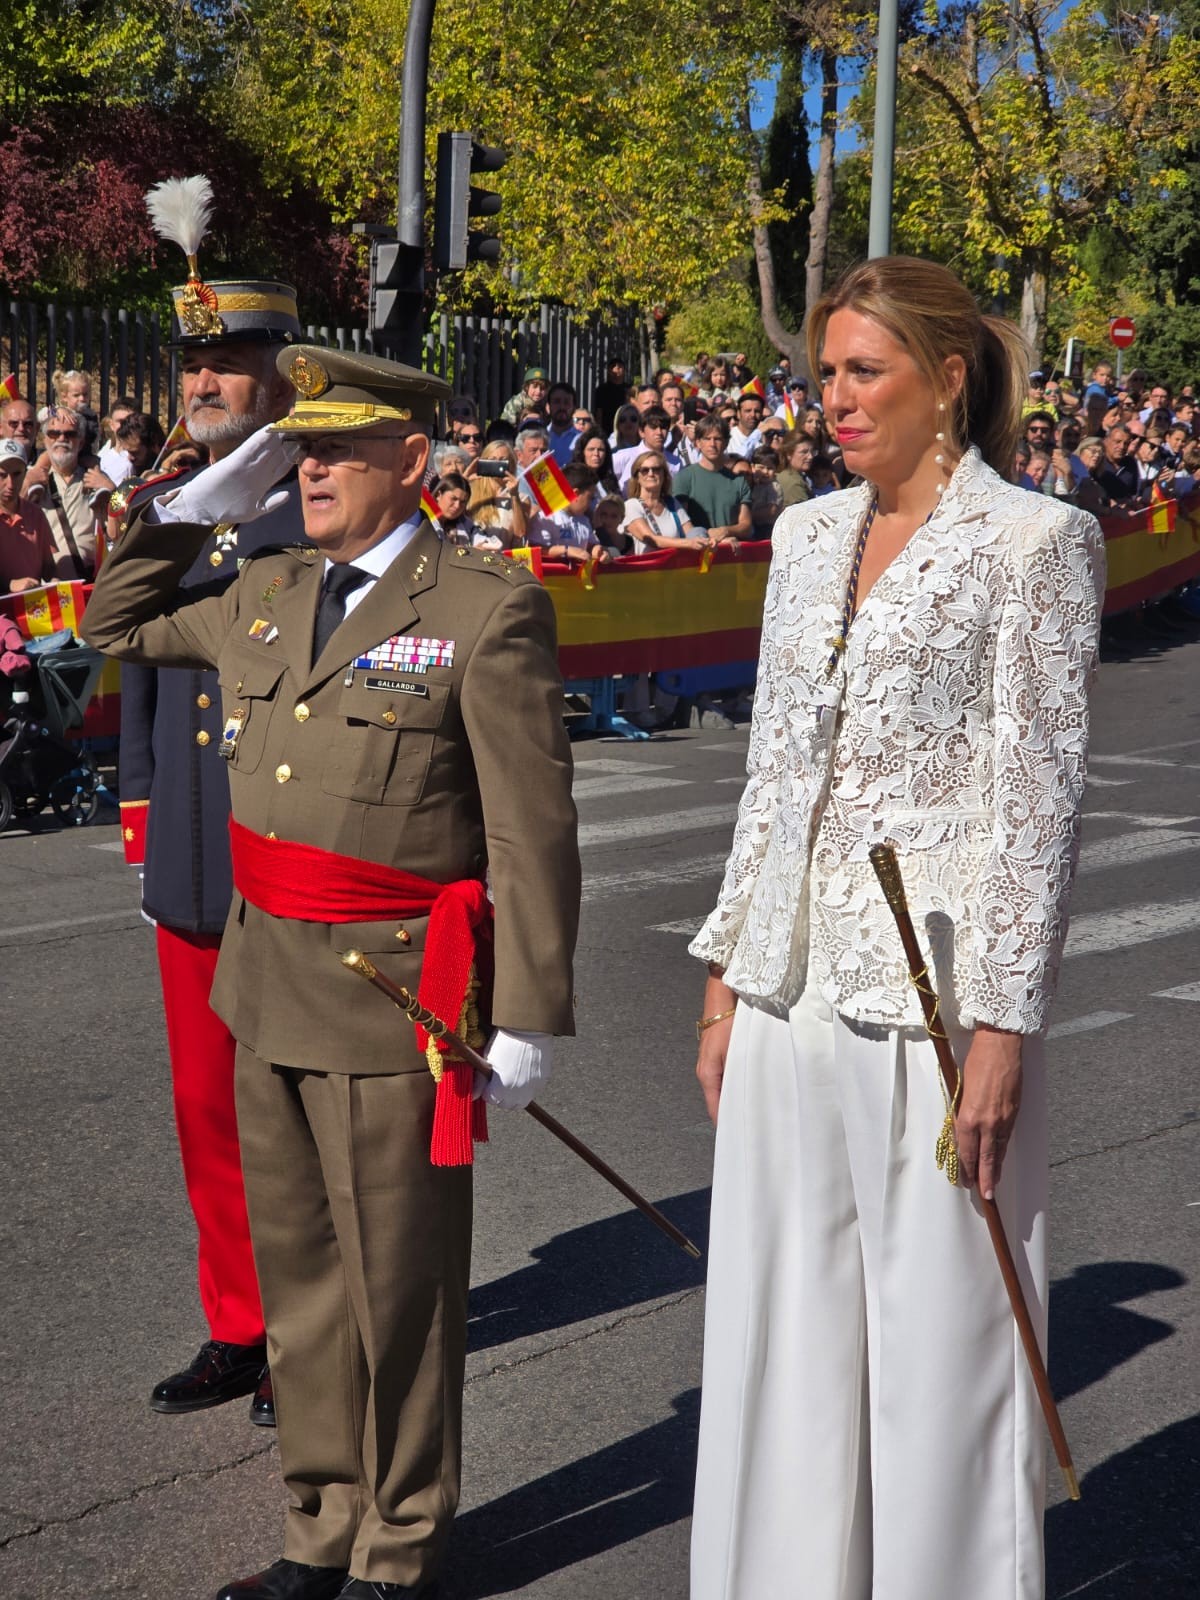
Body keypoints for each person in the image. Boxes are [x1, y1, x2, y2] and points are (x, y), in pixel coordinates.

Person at [84, 345, 580, 1600]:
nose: (306, 472)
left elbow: (530, 824)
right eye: (296, 451)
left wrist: (521, 1012)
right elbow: (117, 622)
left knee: (398, 1294)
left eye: (334, 451)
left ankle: (402, 1544)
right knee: (303, 1288)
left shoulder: (480, 604)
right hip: (264, 986)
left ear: (409, 460)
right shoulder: (262, 588)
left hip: (393, 1000)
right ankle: (319, 1525)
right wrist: (190, 504)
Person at [689, 254, 1105, 1600]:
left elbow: (1037, 801)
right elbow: (774, 774)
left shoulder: (1037, 543)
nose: (835, 401)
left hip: (934, 994)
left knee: (945, 1350)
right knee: (782, 1336)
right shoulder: (805, 537)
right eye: (825, 374)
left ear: (949, 378)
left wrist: (1004, 1027)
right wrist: (724, 979)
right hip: (786, 985)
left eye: (864, 372)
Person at [113, 185, 308, 1429]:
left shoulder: (317, 497)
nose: (206, 382)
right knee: (206, 1105)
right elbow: (136, 669)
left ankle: (311, 1330)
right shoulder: (170, 504)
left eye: (228, 363)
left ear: (279, 377)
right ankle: (240, 1321)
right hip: (190, 842)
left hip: (286, 850)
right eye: (195, 361)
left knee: (290, 1106)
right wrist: (137, 814)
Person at [671, 416, 751, 544]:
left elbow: (746, 525)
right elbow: (681, 524)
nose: (712, 444)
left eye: (717, 439)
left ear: (726, 442)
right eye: (707, 439)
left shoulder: (739, 482)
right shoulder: (684, 477)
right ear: (698, 443)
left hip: (731, 555)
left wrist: (726, 531)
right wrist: (710, 538)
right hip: (695, 554)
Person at [621, 451, 707, 552]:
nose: (651, 474)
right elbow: (651, 539)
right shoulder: (631, 506)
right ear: (637, 478)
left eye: (656, 469)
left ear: (664, 475)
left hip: (675, 566)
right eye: (645, 470)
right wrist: (689, 543)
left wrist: (706, 540)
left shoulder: (672, 503)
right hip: (648, 567)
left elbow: (691, 532)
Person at [0, 439, 57, 590]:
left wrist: (54, 581)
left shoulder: (35, 514)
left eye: (17, 474)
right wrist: (9, 585)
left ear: (25, 473)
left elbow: (48, 565)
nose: (10, 484)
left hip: (33, 607)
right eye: (2, 475)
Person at [776, 431, 815, 507]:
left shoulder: (797, 476)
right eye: (804, 452)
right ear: (788, 454)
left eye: (812, 451)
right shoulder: (792, 482)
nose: (811, 456)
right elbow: (805, 514)